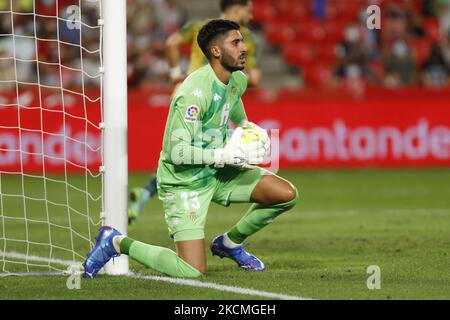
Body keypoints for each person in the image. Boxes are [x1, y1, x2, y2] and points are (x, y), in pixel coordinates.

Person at [83, 19, 299, 278]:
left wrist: (245, 126)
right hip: (184, 180)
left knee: (286, 194)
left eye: (242, 41)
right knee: (192, 271)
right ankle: (115, 242)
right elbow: (177, 152)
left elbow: (234, 101)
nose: (244, 48)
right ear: (216, 51)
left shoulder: (236, 80)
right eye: (236, 42)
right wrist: (222, 154)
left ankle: (229, 243)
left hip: (219, 171)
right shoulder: (194, 93)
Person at [127, 0, 262, 225]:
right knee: (198, 152)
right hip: (206, 98)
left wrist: (176, 77)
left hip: (189, 93)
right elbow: (255, 78)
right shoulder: (247, 38)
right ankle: (185, 207)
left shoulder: (198, 26)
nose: (251, 15)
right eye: (249, 10)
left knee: (188, 151)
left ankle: (146, 194)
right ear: (237, 9)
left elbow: (171, 43)